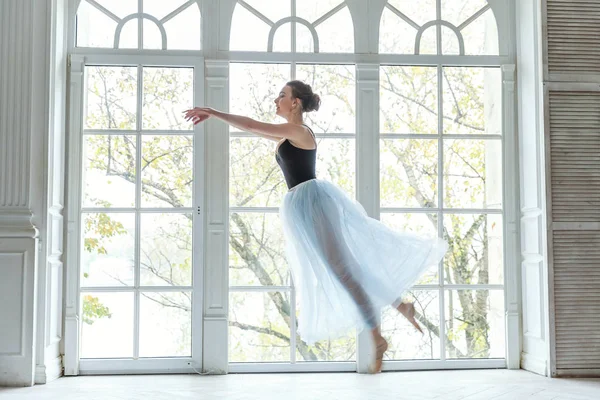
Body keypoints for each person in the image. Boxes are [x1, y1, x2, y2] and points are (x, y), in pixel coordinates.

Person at [184, 80, 448, 373]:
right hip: (304, 207)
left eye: (282, 96)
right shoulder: (286, 136)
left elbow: (252, 124)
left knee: (344, 271)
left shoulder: (299, 132)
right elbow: (252, 128)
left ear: (295, 103)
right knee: (345, 270)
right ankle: (397, 311)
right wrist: (217, 116)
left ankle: (381, 331)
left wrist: (214, 112)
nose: (276, 100)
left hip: (314, 204)